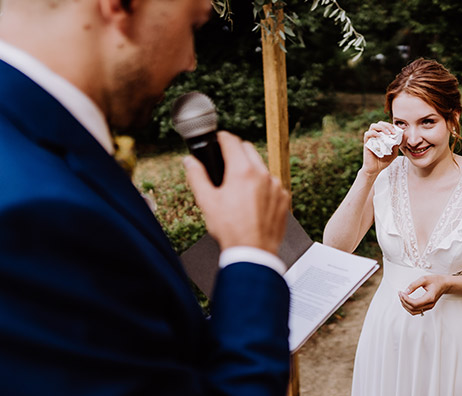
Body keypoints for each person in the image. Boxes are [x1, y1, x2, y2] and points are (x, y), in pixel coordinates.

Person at [0, 0, 293, 394]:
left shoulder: (34, 144)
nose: (190, 61)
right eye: (193, 24)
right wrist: (250, 253)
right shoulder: (33, 213)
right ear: (120, 6)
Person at [323, 58, 462, 396]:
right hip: (385, 335)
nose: (413, 138)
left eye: (427, 122)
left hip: (454, 341)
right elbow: (336, 247)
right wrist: (368, 173)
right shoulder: (384, 177)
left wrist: (447, 283)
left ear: (453, 119)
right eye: (400, 123)